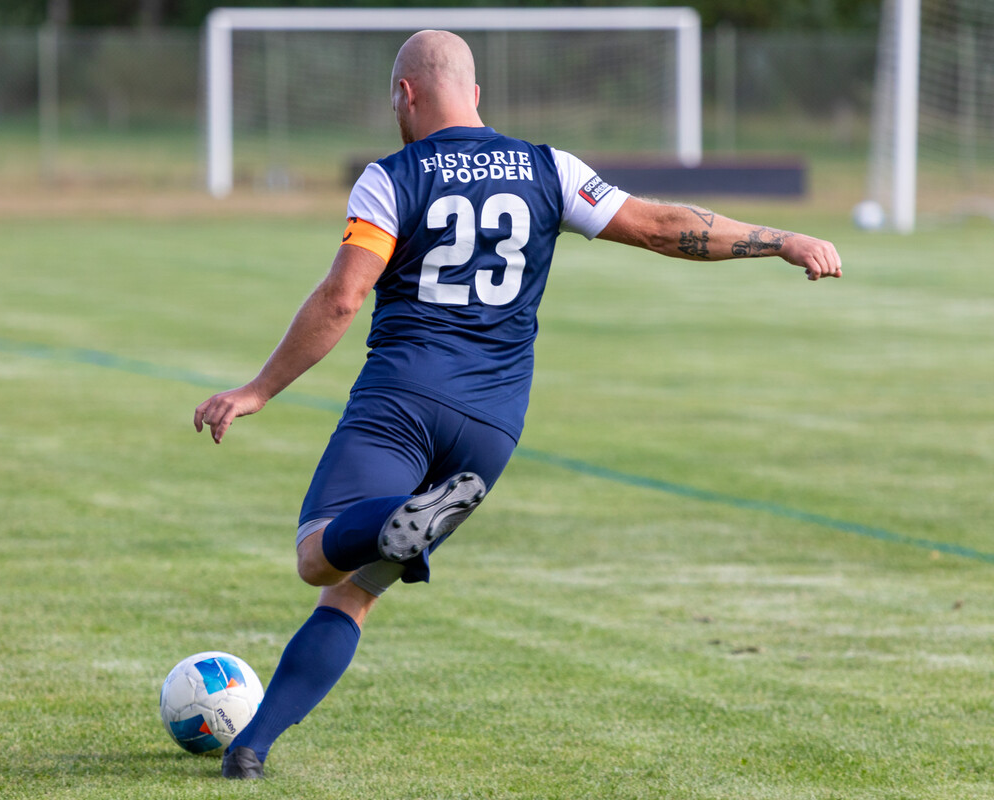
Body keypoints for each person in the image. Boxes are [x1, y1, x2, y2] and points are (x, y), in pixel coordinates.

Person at [194, 29, 841, 780]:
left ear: (404, 94)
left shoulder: (392, 176)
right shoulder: (548, 168)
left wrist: (258, 388)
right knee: (356, 590)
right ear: (474, 94)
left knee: (318, 554)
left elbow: (344, 297)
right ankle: (249, 750)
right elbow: (663, 228)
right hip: (492, 428)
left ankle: (394, 523)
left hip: (404, 400)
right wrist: (780, 239)